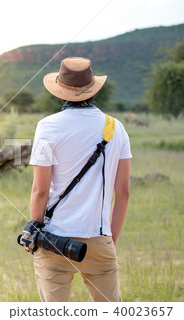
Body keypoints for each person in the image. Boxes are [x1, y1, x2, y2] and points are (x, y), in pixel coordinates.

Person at [23, 57, 131, 302]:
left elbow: (40, 190)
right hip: (99, 239)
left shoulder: (47, 126)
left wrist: (34, 232)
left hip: (53, 239)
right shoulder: (115, 127)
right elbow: (123, 192)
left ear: (61, 91)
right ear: (92, 89)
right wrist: (110, 241)